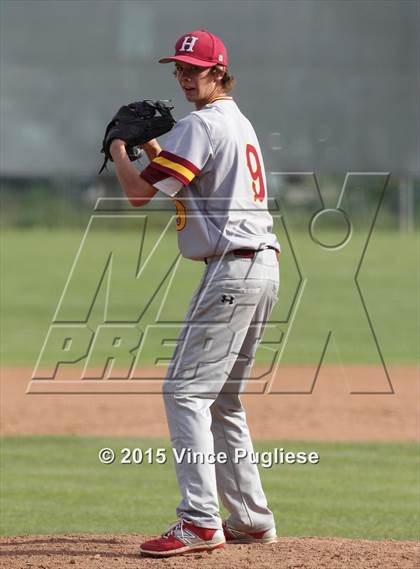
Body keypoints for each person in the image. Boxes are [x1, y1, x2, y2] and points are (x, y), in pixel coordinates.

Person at [110, 29, 280, 558]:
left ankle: (201, 521)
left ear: (218, 71)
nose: (185, 77)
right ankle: (250, 519)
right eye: (179, 69)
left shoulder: (202, 124)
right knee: (222, 400)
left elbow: (138, 195)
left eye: (194, 69)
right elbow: (184, 183)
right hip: (261, 266)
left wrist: (120, 148)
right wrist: (155, 148)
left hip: (231, 271)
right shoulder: (235, 121)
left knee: (184, 392)